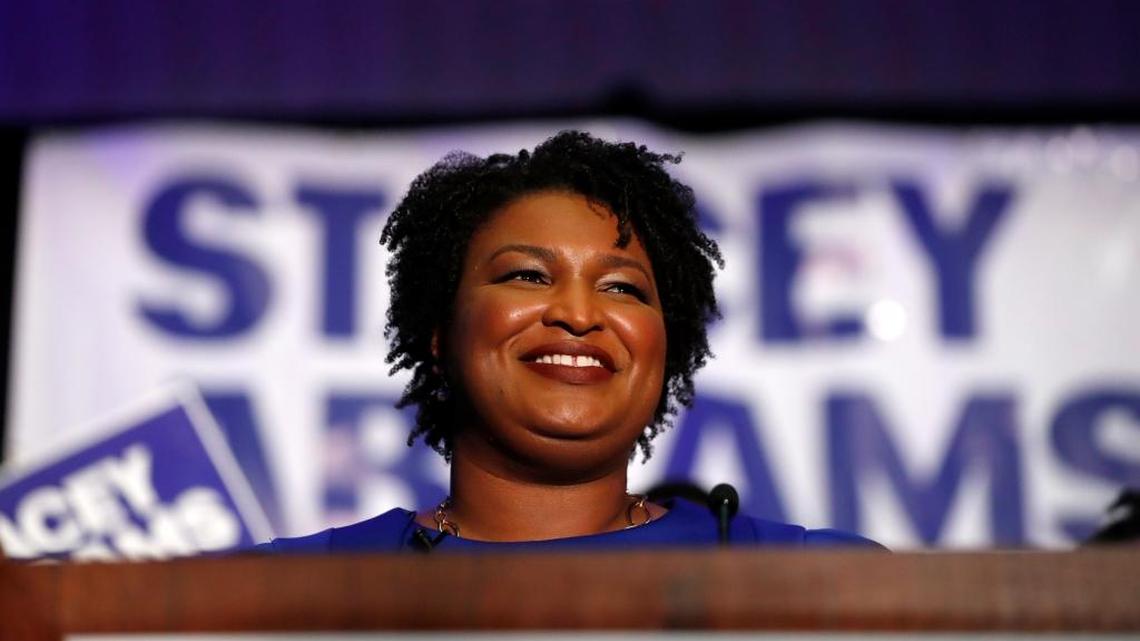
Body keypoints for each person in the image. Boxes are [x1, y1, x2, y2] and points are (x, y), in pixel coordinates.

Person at [260, 131, 879, 553]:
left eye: (622, 288)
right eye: (527, 276)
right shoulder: (285, 597)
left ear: (668, 346)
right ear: (442, 334)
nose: (580, 314)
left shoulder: (818, 581)